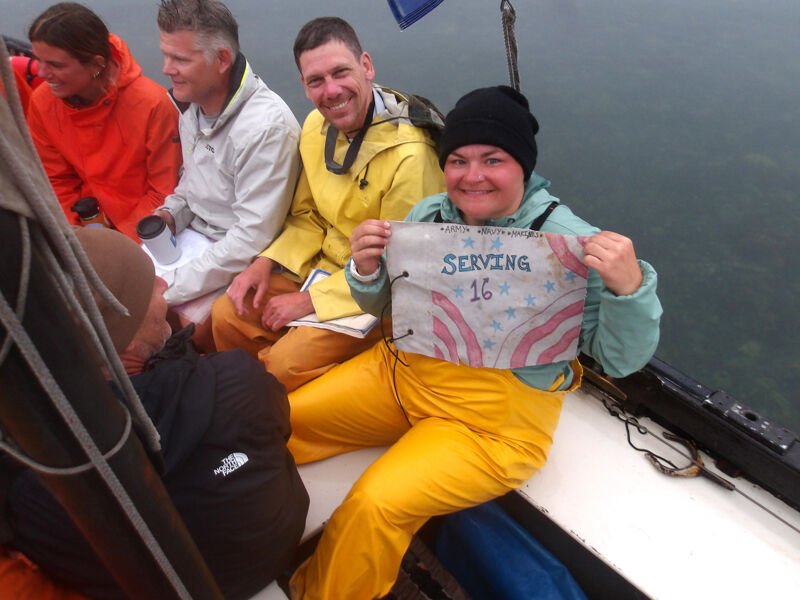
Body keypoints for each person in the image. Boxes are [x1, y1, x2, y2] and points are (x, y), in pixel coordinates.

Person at [286, 86, 663, 600]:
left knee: (376, 504)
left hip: (491, 423)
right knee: (281, 420)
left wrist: (630, 290)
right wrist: (366, 269)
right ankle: (242, 527)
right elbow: (386, 307)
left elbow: (619, 360)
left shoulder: (569, 242)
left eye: (493, 159)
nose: (472, 175)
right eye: (458, 160)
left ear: (523, 166)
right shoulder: (427, 217)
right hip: (400, 375)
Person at [3, 227, 309, 600]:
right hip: (279, 543)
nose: (163, 285)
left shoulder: (37, 478)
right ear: (125, 338)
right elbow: (280, 428)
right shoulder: (235, 380)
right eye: (148, 286)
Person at [211, 16, 444, 392]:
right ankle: (247, 396)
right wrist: (265, 262)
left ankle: (275, 399)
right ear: (304, 86)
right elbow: (308, 216)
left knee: (283, 366)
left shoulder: (411, 156)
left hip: (376, 293)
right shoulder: (314, 129)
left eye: (341, 72)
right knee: (227, 315)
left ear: (366, 66)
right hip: (322, 266)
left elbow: (403, 270)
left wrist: (311, 301)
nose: (331, 91)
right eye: (316, 80)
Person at [154, 0, 301, 326]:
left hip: (242, 261)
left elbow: (250, 239)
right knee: (118, 286)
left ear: (221, 59)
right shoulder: (193, 105)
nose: (166, 68)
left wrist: (168, 288)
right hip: (194, 242)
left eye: (180, 59)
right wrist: (171, 215)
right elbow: (192, 182)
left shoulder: (265, 128)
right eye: (166, 55)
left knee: (155, 319)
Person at [26, 2, 182, 241]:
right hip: (82, 229)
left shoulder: (153, 104)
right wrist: (76, 237)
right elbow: (54, 181)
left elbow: (163, 193)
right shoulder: (42, 102)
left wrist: (115, 245)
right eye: (38, 60)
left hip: (145, 229)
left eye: (56, 65)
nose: (42, 73)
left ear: (97, 65)